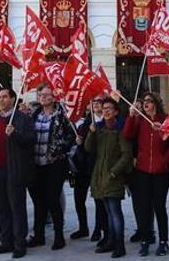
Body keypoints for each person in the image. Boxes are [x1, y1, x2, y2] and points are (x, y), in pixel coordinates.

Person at [123, 92, 169, 256]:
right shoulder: (140, 119)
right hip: (142, 170)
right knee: (144, 207)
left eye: (149, 101)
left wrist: (164, 161)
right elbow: (127, 134)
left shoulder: (165, 119)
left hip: (160, 171)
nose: (145, 104)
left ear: (156, 103)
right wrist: (131, 115)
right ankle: (146, 239)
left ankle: (163, 241)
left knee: (159, 206)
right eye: (144, 101)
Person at [0, 87, 35, 258]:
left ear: (13, 99)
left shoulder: (23, 119)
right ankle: (6, 241)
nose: (1, 100)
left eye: (5, 97)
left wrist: (15, 134)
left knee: (17, 207)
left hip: (14, 169)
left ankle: (19, 243)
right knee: (2, 207)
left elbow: (31, 140)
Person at [28, 84, 76, 250]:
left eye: (47, 95)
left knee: (53, 200)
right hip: (36, 164)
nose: (43, 97)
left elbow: (72, 135)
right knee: (38, 202)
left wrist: (60, 148)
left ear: (54, 97)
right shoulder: (34, 115)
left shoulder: (62, 115)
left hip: (54, 164)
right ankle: (39, 235)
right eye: (41, 94)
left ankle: (59, 236)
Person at [85, 97, 132, 258]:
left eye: (109, 108)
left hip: (113, 177)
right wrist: (91, 133)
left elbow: (126, 155)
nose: (106, 111)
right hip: (100, 176)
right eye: (104, 108)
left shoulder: (120, 129)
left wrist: (114, 172)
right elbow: (88, 148)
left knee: (115, 212)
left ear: (116, 111)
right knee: (108, 212)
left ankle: (119, 245)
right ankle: (110, 241)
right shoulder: (99, 128)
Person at [69, 97, 107, 242]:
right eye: (93, 101)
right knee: (79, 198)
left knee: (99, 199)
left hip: (99, 166)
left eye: (98, 101)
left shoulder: (107, 121)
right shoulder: (86, 122)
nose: (96, 103)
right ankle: (83, 227)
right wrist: (78, 141)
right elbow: (80, 142)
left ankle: (99, 229)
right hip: (83, 166)